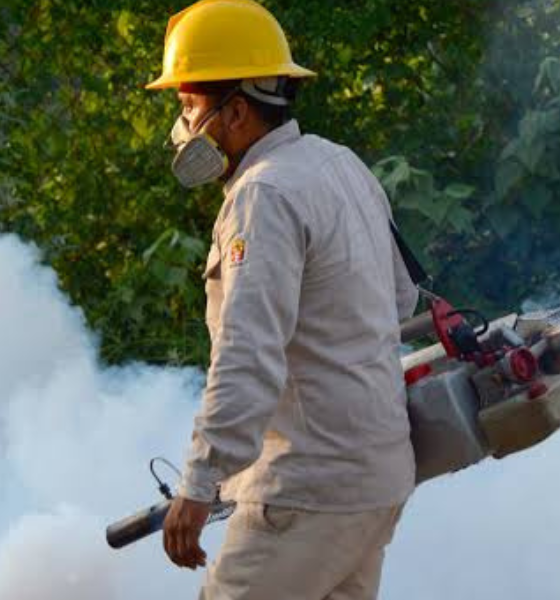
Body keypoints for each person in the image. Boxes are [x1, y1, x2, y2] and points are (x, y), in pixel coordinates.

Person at [145, 1, 421, 599]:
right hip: (378, 481)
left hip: (306, 492)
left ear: (236, 110)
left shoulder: (262, 196)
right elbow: (400, 301)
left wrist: (197, 485)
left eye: (189, 107)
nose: (182, 129)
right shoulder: (339, 164)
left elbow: (248, 355)